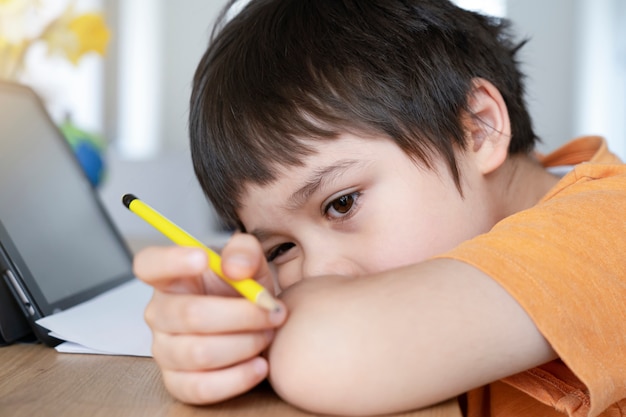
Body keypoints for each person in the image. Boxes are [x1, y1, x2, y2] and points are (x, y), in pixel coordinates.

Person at [132, 0, 626, 416]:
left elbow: (329, 352)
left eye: (341, 204)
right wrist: (223, 322)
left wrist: (262, 332)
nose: (321, 273)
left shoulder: (609, 228)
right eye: (282, 248)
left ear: (478, 129)